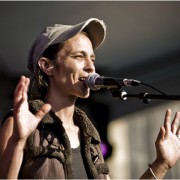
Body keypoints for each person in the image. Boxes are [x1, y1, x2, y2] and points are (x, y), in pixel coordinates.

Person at [0, 18, 179, 179]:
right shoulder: (18, 123)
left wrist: (161, 164)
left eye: (92, 59)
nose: (91, 67)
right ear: (47, 66)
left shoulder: (90, 137)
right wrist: (17, 141)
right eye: (79, 56)